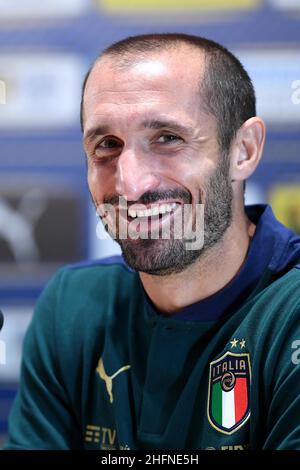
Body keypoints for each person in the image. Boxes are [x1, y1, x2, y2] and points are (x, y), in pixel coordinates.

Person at [4, 33, 300, 450]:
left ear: (243, 150)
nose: (131, 183)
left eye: (167, 138)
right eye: (107, 145)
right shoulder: (71, 305)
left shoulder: (291, 310)